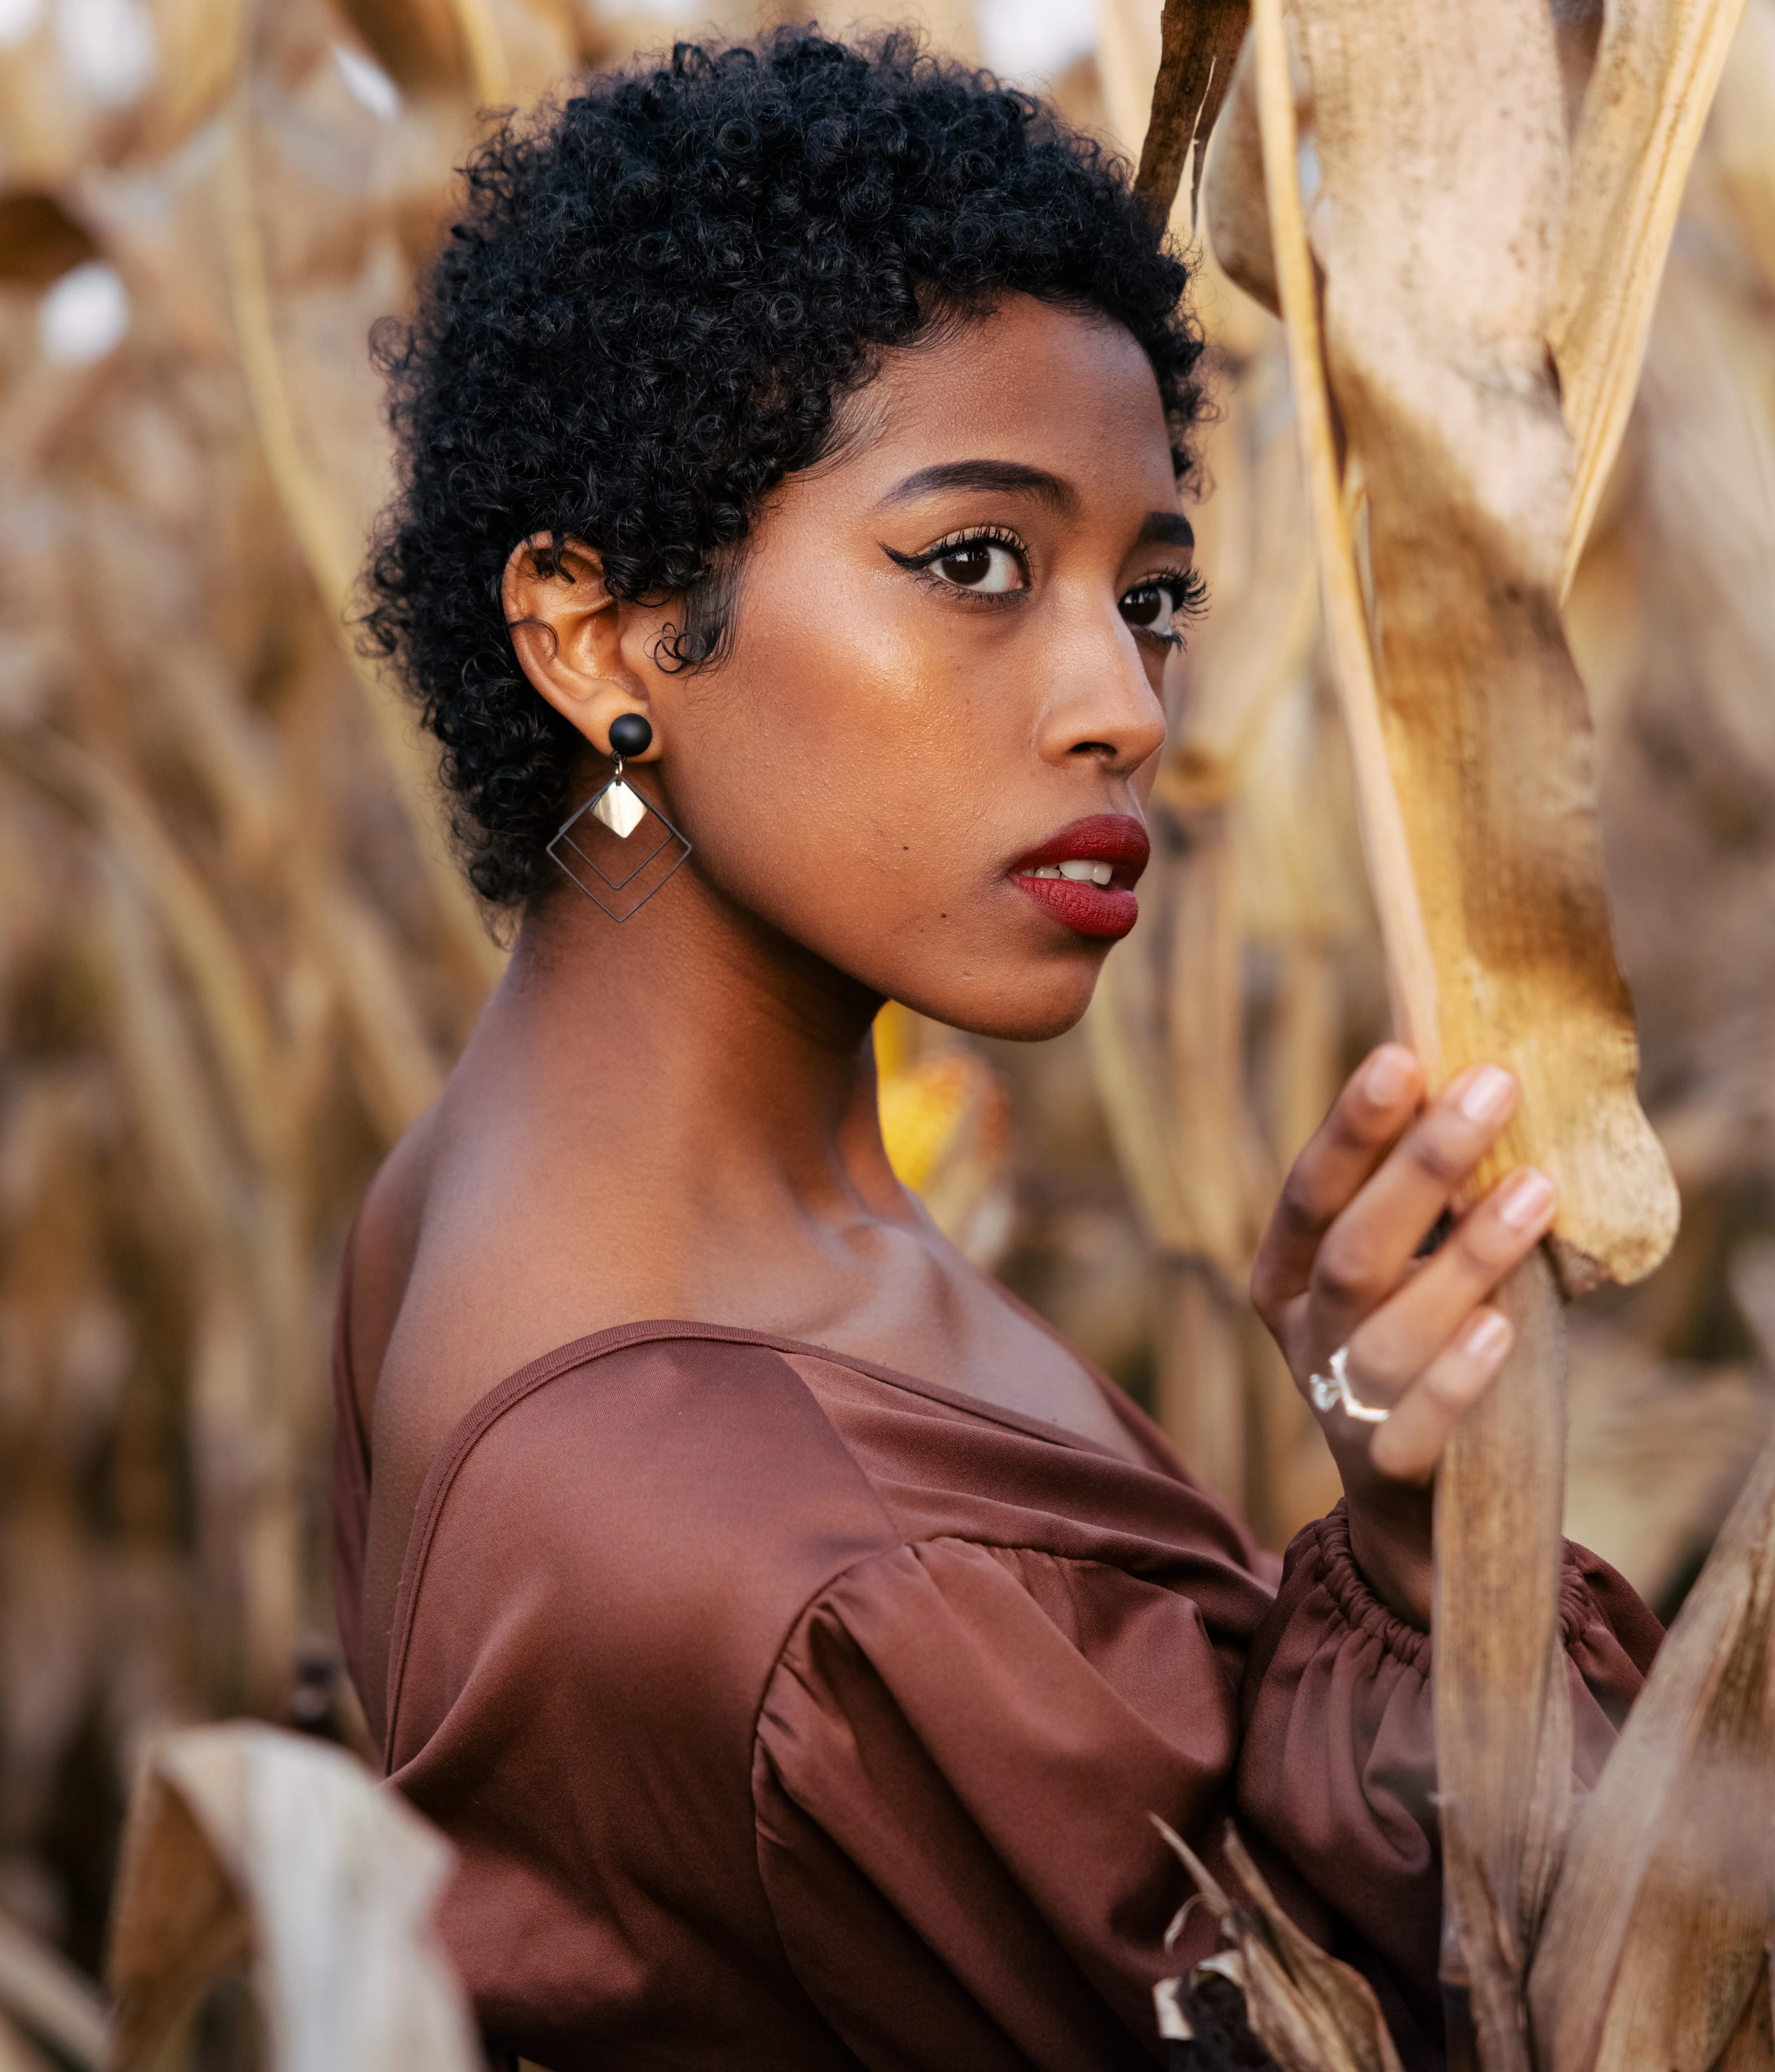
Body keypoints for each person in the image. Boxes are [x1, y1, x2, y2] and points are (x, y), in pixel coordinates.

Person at [334, 30, 1661, 2069]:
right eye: (973, 563)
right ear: (597, 633)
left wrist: (1403, 1513)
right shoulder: (809, 1580)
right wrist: (1421, 1573)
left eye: (1150, 592)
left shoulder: (497, 1194)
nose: (1125, 703)